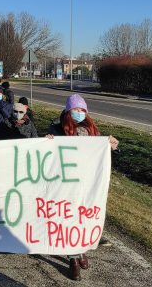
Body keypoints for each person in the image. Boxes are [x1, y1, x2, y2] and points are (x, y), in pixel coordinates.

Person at [45, 93, 119, 280]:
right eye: (76, 109)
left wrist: (111, 146)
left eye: (82, 110)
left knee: (83, 220)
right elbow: (48, 155)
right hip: (65, 184)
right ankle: (73, 260)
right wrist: (48, 142)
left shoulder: (91, 129)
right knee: (69, 220)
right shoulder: (57, 128)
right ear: (69, 110)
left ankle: (81, 250)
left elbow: (100, 154)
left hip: (86, 184)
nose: (79, 113)